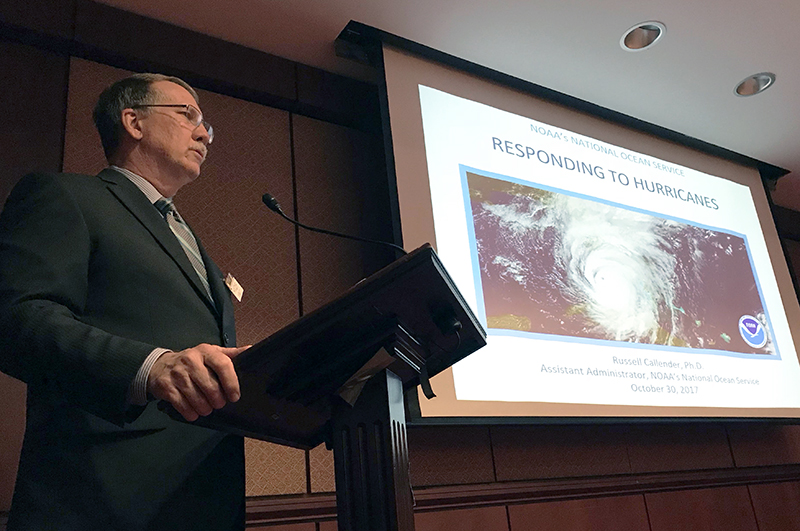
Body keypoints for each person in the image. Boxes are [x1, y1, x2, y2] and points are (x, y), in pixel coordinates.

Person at [0, 73, 249, 530]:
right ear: (133, 121)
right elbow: (18, 318)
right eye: (187, 115)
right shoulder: (66, 196)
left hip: (205, 494)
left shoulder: (187, 235)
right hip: (102, 497)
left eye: (206, 125)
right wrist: (151, 366)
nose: (203, 133)